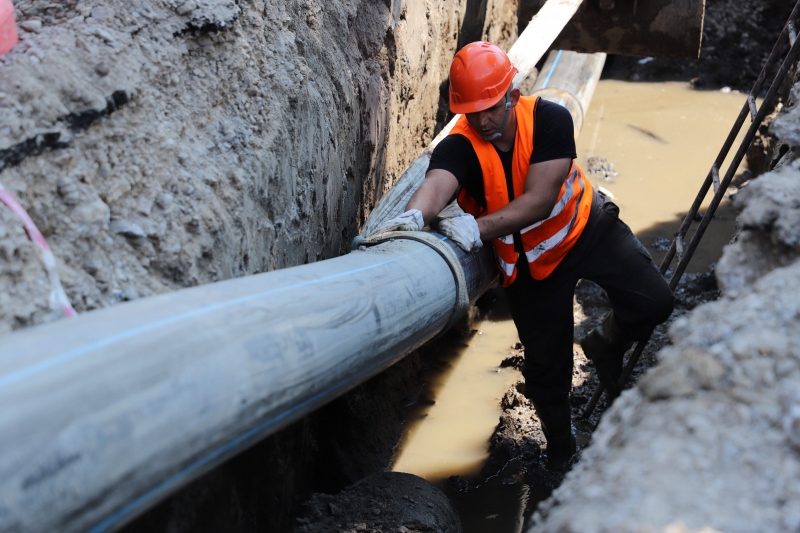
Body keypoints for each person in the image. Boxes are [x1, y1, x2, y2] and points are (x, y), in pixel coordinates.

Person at [371, 42, 674, 471]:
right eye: (471, 112)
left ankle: (606, 343)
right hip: (532, 271)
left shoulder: (550, 120)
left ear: (512, 95)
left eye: (490, 108)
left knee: (654, 302)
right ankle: (561, 455)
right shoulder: (462, 143)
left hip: (585, 230)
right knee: (548, 377)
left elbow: (541, 200)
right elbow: (437, 184)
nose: (482, 120)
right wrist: (414, 216)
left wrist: (477, 228)